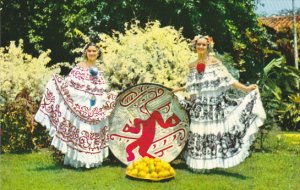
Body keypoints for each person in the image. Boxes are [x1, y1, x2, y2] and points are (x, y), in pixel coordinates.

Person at [173, 35, 266, 171]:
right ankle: (198, 165)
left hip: (213, 105)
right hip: (200, 105)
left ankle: (211, 165)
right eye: (199, 44)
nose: (201, 47)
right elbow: (192, 86)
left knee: (213, 132)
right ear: (195, 46)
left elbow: (229, 79)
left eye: (204, 45)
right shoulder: (192, 66)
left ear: (208, 46)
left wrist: (246, 88)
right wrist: (180, 90)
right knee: (199, 131)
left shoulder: (215, 62)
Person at [35, 42, 116, 168]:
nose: (92, 53)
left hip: (95, 107)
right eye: (89, 51)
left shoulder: (99, 70)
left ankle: (92, 161)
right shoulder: (79, 67)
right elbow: (70, 86)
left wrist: (105, 98)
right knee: (82, 130)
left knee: (93, 130)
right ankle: (78, 162)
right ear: (85, 53)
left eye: (94, 51)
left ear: (98, 53)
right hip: (81, 105)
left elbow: (99, 90)